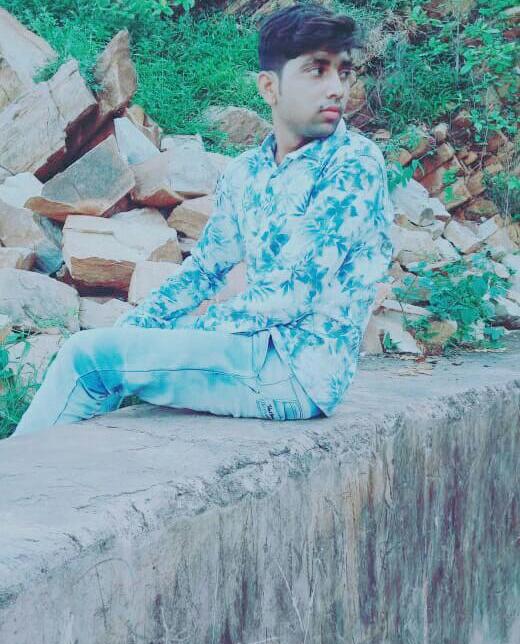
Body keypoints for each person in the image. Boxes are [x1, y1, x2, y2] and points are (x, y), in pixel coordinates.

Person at [12, 2, 394, 437]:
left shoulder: (353, 163)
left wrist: (186, 330)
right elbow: (205, 270)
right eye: (317, 70)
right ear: (269, 87)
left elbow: (292, 293)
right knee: (116, 350)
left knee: (86, 359)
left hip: (295, 372)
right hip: (249, 350)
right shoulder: (247, 172)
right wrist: (137, 327)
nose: (337, 88)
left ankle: (20, 476)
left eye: (344, 72)